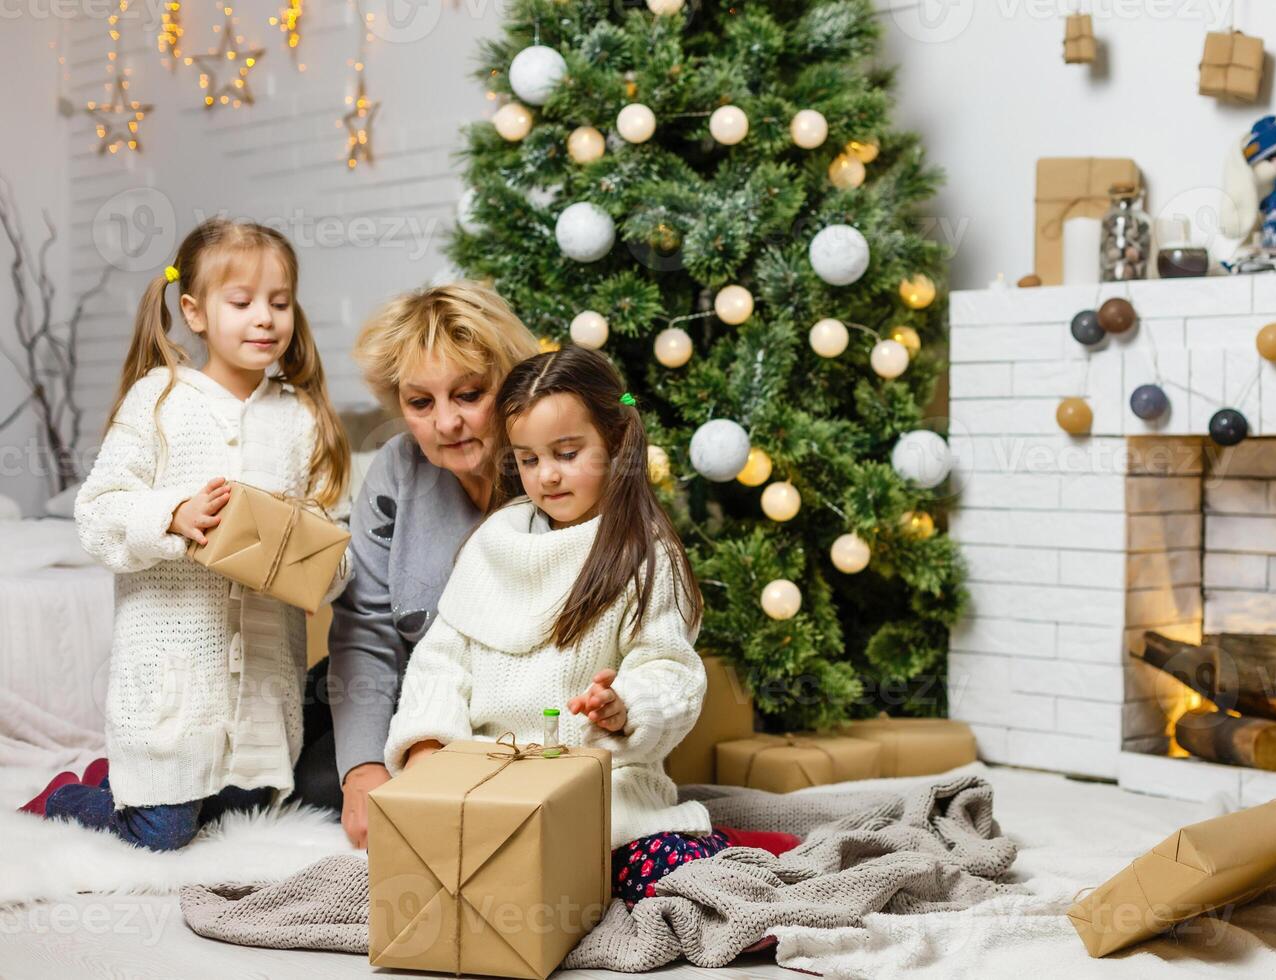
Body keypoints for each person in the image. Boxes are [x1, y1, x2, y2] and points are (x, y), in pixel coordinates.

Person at [383, 345, 796, 907]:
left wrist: (625, 707)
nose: (546, 476)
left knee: (671, 885)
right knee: (435, 887)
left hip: (603, 795)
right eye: (528, 460)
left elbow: (669, 671)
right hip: (493, 791)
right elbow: (440, 658)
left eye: (568, 453)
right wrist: (428, 746)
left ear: (617, 444)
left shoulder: (645, 557)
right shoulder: (494, 543)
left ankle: (730, 850)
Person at [38, 217, 350, 851]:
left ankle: (128, 786)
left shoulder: (300, 417)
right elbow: (97, 514)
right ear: (194, 311)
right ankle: (71, 795)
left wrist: (310, 555)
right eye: (242, 303)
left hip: (264, 687)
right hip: (174, 680)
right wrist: (172, 516)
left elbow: (334, 543)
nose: (264, 318)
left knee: (246, 809)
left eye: (280, 302)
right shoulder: (160, 400)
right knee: (162, 834)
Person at [292, 281, 538, 848]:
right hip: (400, 697)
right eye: (420, 403)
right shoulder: (397, 470)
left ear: (509, 385)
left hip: (509, 721)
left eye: (469, 394)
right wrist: (362, 773)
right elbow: (366, 633)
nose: (445, 424)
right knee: (305, 776)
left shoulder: (550, 469)